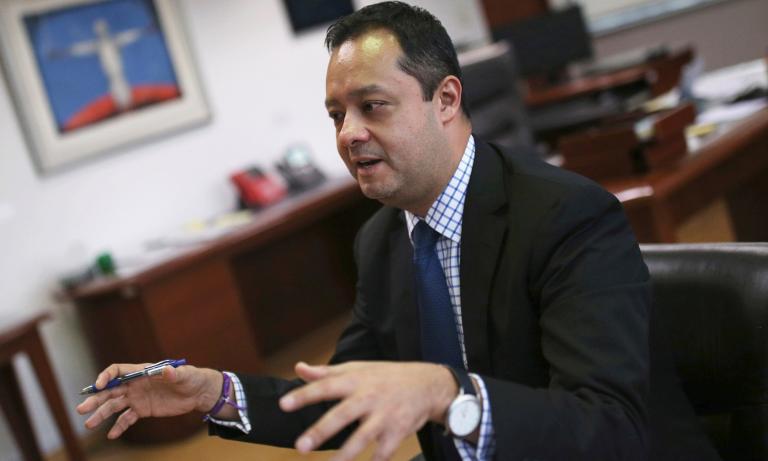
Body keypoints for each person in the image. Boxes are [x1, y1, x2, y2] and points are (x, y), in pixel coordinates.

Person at [77, 3, 720, 460]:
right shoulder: (382, 241)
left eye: (372, 106)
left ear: (444, 100)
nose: (347, 134)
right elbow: (343, 398)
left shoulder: (567, 217)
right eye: (336, 115)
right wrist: (215, 392)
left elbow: (609, 430)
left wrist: (447, 395)